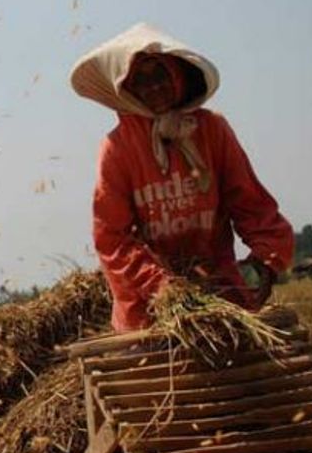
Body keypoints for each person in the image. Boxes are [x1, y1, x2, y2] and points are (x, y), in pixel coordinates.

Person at [70, 23, 295, 332]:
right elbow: (113, 239)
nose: (153, 88)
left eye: (159, 75)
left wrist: (264, 261)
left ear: (177, 73)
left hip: (220, 293)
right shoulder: (118, 149)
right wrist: (164, 289)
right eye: (140, 80)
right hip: (149, 310)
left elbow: (251, 204)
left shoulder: (211, 130)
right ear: (127, 90)